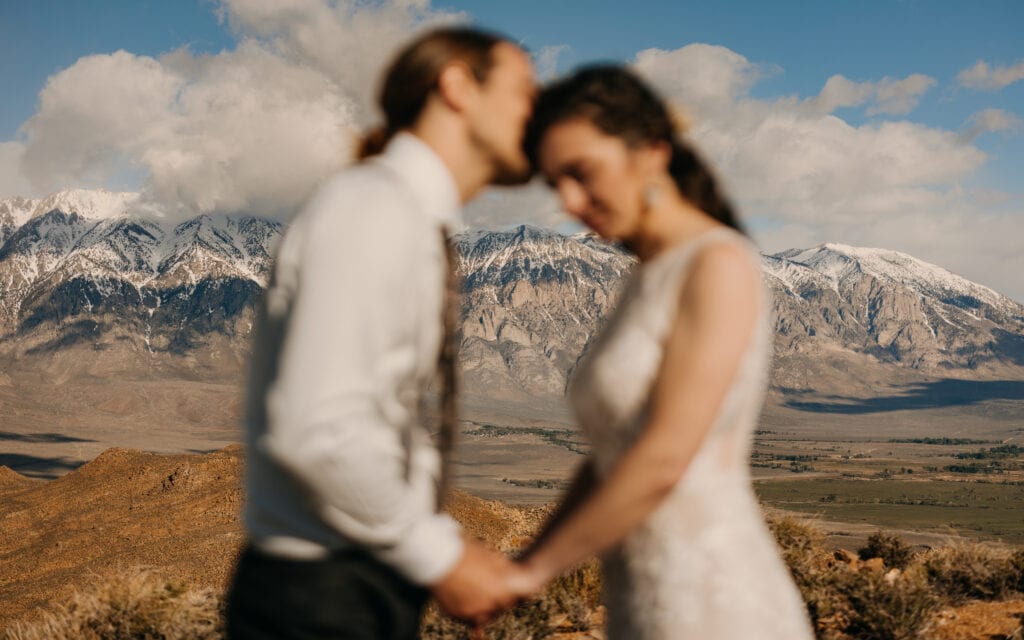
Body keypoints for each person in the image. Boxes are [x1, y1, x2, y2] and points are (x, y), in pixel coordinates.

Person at [225, 27, 536, 639]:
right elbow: (321, 429)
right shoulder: (374, 211)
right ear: (456, 86)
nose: (539, 111)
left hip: (350, 590)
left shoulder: (402, 215)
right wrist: (441, 558)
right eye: (526, 90)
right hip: (318, 603)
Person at [499, 65, 815, 639]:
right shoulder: (646, 276)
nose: (568, 202)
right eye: (554, 184)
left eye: (581, 173)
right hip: (642, 604)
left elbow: (664, 458)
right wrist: (525, 566)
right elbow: (610, 459)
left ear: (650, 152)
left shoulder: (716, 263)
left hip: (720, 607)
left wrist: (531, 576)